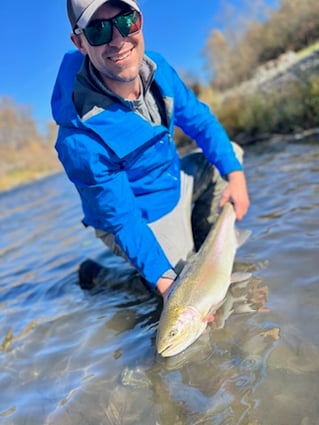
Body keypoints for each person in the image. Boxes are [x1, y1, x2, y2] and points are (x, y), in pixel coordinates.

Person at [51, 0, 250, 299]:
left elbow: (201, 122)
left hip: (173, 178)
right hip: (135, 214)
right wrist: (166, 284)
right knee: (176, 291)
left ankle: (202, 238)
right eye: (99, 29)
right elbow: (122, 219)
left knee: (231, 154)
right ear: (80, 42)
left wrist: (235, 176)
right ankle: (101, 278)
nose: (118, 39)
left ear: (140, 19)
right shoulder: (78, 138)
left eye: (125, 21)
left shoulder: (159, 69)